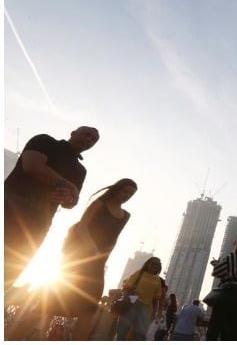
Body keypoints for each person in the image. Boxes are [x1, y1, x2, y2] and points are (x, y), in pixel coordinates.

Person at [4, 126, 100, 291]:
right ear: (73, 132)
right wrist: (68, 185)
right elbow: (32, 165)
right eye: (87, 135)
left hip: (40, 221)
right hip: (11, 206)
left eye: (93, 140)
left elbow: (71, 202)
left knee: (10, 269)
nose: (89, 140)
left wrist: (67, 197)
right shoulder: (45, 141)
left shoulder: (80, 170)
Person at [49, 178, 137, 340]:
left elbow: (114, 237)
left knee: (90, 308)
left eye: (131, 194)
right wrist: (90, 246)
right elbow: (82, 225)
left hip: (99, 261)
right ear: (117, 189)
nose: (127, 196)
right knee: (54, 298)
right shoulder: (99, 204)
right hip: (80, 255)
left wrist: (104, 257)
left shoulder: (125, 216)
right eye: (125, 191)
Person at [206, 232, 237, 340]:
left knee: (215, 326)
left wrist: (216, 264)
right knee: (232, 330)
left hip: (229, 292)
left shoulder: (233, 256)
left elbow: (217, 272)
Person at [116, 257, 165, 341]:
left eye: (157, 265)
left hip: (146, 307)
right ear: (148, 264)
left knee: (140, 332)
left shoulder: (157, 280)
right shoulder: (139, 273)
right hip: (132, 302)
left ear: (159, 267)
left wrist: (155, 312)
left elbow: (156, 298)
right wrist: (125, 301)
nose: (154, 266)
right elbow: (127, 288)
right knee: (122, 329)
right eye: (153, 263)